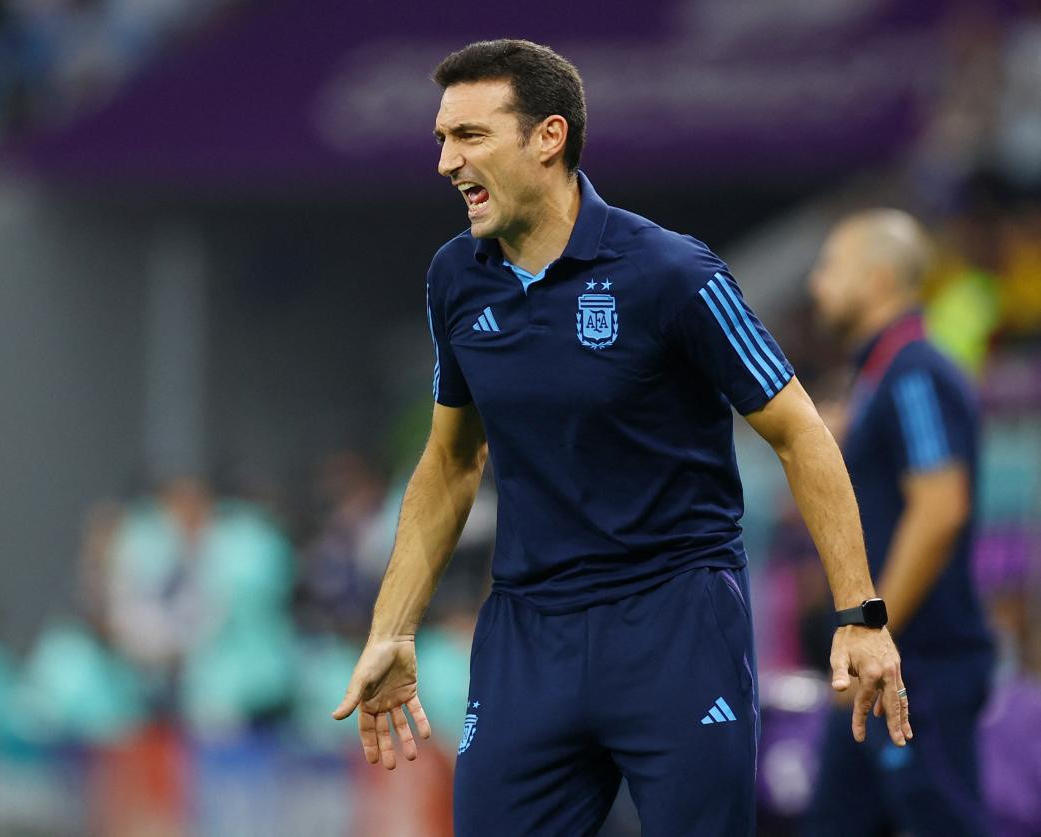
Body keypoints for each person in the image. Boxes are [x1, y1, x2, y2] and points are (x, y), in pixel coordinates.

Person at [332, 39, 911, 835]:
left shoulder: (672, 273)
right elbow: (451, 461)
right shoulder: (455, 279)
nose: (445, 162)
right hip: (528, 635)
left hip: (674, 624)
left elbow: (801, 434)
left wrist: (862, 612)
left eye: (470, 136)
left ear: (548, 136)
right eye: (441, 138)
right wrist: (392, 628)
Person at [804, 210, 994, 836]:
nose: (816, 285)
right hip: (884, 665)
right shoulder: (878, 376)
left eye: (832, 267)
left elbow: (940, 508)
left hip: (922, 670)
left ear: (880, 278)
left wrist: (868, 627)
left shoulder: (915, 370)